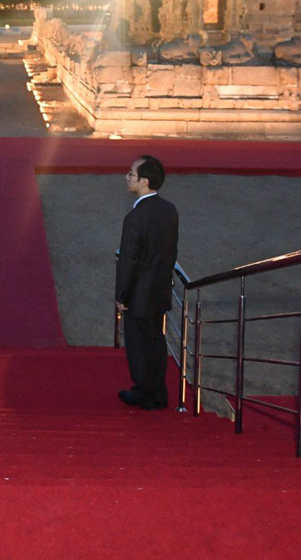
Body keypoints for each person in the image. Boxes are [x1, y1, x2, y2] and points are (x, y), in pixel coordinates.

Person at [115, 155, 179, 411]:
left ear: (144, 181)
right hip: (160, 289)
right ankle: (159, 391)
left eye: (131, 173)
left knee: (139, 346)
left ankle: (144, 393)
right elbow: (170, 251)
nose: (127, 176)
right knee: (156, 341)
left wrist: (122, 295)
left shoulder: (135, 218)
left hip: (139, 294)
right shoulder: (169, 209)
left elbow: (129, 261)